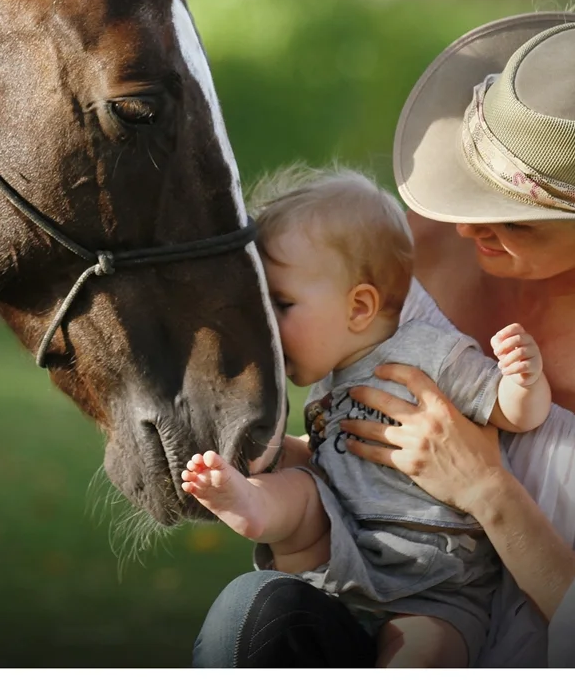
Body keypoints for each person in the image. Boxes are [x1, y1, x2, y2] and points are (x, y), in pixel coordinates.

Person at [193, 11, 575, 668]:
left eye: (514, 221)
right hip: (370, 588)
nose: (471, 228)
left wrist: (486, 488)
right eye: (473, 190)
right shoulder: (428, 244)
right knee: (251, 618)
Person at [181, 166, 552, 667]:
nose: (266, 322)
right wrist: (268, 453)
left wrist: (521, 382)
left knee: (424, 656)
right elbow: (330, 458)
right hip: (341, 557)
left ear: (359, 307)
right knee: (303, 487)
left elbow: (511, 414)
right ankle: (252, 503)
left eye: (282, 303)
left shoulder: (427, 355)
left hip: (430, 588)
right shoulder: (326, 383)